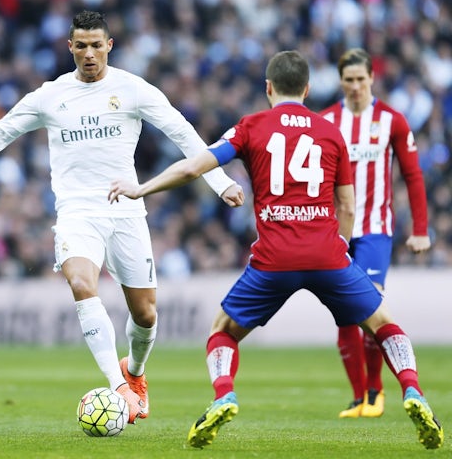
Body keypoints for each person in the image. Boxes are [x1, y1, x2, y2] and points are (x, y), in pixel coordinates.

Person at [108, 50, 444, 449]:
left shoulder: (252, 126)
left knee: (222, 332)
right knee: (385, 326)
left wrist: (141, 188)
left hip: (274, 259)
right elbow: (348, 205)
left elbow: (192, 167)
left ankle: (224, 396)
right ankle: (413, 392)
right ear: (307, 88)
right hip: (327, 254)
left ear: (268, 88)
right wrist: (339, 246)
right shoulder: (330, 130)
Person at [0, 10, 243, 424]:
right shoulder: (50, 95)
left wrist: (220, 181)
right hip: (77, 211)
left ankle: (134, 374)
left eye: (95, 45)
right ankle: (117, 387)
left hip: (126, 208)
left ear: (109, 46)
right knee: (82, 283)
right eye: (80, 46)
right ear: (70, 47)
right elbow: (1, 131)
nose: (88, 54)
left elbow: (182, 132)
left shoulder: (133, 89)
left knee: (145, 315)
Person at [319, 48, 431, 419]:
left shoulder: (391, 120)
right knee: (344, 314)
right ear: (340, 82)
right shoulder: (327, 121)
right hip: (336, 229)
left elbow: (413, 175)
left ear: (372, 79)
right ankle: (358, 398)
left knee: (369, 305)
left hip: (375, 230)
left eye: (360, 79)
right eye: (348, 80)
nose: (354, 86)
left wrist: (420, 229)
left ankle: (375, 391)